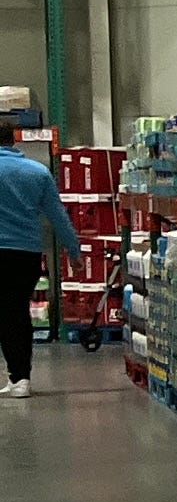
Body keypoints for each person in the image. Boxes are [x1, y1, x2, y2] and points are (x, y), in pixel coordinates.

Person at [0, 133, 79, 398]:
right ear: (13, 141)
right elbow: (58, 216)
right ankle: (20, 378)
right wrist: (74, 250)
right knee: (16, 312)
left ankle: (16, 376)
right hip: (26, 254)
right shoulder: (37, 172)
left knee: (6, 314)